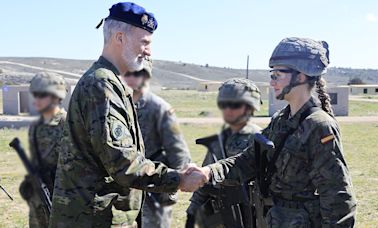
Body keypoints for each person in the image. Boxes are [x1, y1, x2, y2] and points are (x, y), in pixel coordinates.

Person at [49, 2, 207, 228]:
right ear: (120, 38)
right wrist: (178, 179)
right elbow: (124, 164)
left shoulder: (112, 83)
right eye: (144, 42)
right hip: (91, 219)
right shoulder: (101, 84)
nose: (149, 51)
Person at [185, 37, 357, 227]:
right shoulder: (282, 119)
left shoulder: (319, 126)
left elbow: (337, 196)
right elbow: (247, 160)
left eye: (277, 74)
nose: (272, 81)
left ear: (300, 76)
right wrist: (208, 172)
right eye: (271, 74)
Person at [115, 57, 191, 228]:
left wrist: (172, 189)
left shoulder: (159, 108)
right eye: (128, 73)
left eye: (138, 73)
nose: (132, 78)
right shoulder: (119, 106)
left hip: (154, 189)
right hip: (126, 191)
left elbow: (178, 152)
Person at [185, 78, 262, 228]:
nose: (228, 110)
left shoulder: (260, 139)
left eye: (234, 105)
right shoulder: (222, 139)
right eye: (224, 104)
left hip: (252, 215)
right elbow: (205, 180)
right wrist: (192, 210)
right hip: (223, 214)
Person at [19, 72, 67, 228]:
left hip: (61, 200)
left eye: (42, 95)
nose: (36, 99)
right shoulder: (36, 127)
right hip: (38, 199)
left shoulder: (67, 123)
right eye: (35, 95)